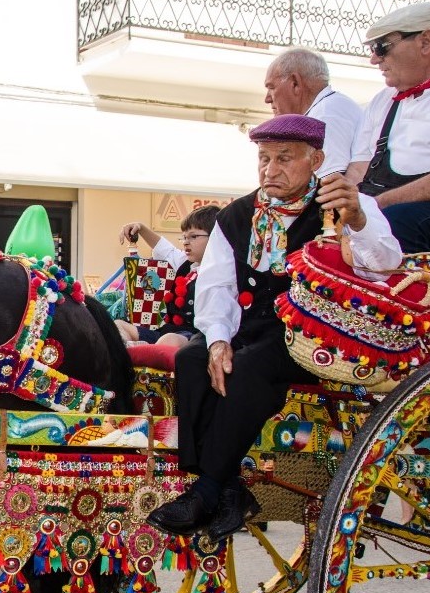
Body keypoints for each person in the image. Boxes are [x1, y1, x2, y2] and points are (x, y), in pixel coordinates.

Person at [147, 115, 402, 541]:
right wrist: (217, 342)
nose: (270, 170)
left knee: (250, 368)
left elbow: (385, 263)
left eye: (284, 159)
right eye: (264, 159)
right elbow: (217, 287)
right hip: (252, 329)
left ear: (316, 159)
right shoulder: (238, 215)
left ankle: (208, 488)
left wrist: (355, 218)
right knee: (191, 358)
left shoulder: (343, 202)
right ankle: (227, 488)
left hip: (313, 336)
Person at [346, 1, 430, 252]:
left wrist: (377, 206)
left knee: (395, 224)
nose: (374, 59)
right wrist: (347, 202)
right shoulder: (382, 100)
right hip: (381, 206)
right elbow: (360, 166)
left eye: (382, 47)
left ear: (425, 42)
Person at [115, 204, 220, 350]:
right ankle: (135, 351)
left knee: (169, 340)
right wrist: (141, 228)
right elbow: (165, 250)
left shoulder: (222, 272)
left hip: (195, 338)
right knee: (118, 326)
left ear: (215, 237)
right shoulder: (186, 264)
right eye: (184, 237)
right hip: (168, 331)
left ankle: (141, 352)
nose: (186, 242)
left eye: (193, 236)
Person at [263, 48, 362, 176]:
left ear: (295, 83)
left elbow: (330, 185)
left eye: (271, 88)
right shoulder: (328, 108)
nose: (267, 99)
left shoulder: (325, 115)